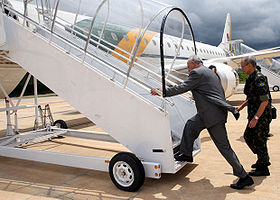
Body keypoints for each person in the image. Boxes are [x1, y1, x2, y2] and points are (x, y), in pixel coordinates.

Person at [151, 55, 253, 189]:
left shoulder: (197, 73)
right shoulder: (209, 73)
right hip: (210, 113)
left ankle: (244, 176)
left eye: (188, 66)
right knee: (190, 125)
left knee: (224, 147)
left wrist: (162, 91)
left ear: (194, 64)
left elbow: (182, 87)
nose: (188, 70)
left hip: (211, 116)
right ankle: (186, 154)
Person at [237, 56, 272, 176]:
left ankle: (263, 168)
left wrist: (256, 118)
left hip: (261, 116)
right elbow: (251, 97)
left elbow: (264, 100)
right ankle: (262, 159)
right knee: (249, 137)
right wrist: (242, 106)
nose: (241, 69)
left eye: (243, 66)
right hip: (254, 114)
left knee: (259, 140)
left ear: (251, 65)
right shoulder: (250, 78)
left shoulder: (259, 78)